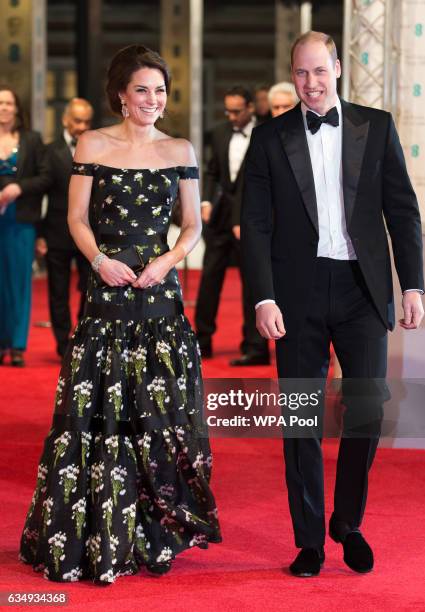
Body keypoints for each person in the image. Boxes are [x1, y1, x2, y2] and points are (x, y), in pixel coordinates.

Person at [20, 45, 221, 584]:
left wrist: (167, 262)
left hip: (159, 295)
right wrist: (101, 261)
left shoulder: (179, 147)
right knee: (103, 414)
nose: (152, 100)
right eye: (142, 90)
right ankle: (98, 531)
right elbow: (76, 218)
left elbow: (192, 225)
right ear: (120, 95)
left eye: (160, 90)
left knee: (158, 410)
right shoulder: (93, 143)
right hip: (108, 294)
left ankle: (153, 531)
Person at [241, 31, 424, 577]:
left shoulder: (376, 125)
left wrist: (410, 284)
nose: (311, 83)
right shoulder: (270, 137)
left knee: (367, 410)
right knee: (300, 418)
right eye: (301, 73)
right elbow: (254, 224)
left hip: (361, 288)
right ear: (292, 74)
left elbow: (403, 211)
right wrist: (263, 297)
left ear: (338, 68)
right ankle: (309, 542)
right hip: (296, 293)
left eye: (320, 71)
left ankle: (348, 521)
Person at [195, 86, 269, 365]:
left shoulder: (267, 132)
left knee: (253, 285)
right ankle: (202, 341)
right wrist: (205, 202)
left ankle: (255, 346)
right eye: (228, 110)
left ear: (250, 107)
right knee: (209, 280)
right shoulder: (219, 132)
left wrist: (245, 219)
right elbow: (212, 170)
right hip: (220, 220)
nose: (231, 116)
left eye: (237, 111)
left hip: (251, 220)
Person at [36, 98, 94, 359]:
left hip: (89, 233)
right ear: (65, 120)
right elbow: (39, 194)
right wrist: (39, 233)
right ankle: (62, 343)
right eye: (77, 121)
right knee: (57, 291)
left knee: (89, 287)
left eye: (86, 121)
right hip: (56, 231)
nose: (82, 126)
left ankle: (82, 336)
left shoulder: (97, 148)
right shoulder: (49, 151)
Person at [0, 86, 50, 367]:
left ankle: (17, 345)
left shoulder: (32, 140)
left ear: (17, 108)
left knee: (19, 284)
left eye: (9, 103)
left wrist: (19, 187)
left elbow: (45, 177)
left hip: (21, 222)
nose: (4, 107)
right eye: (0, 103)